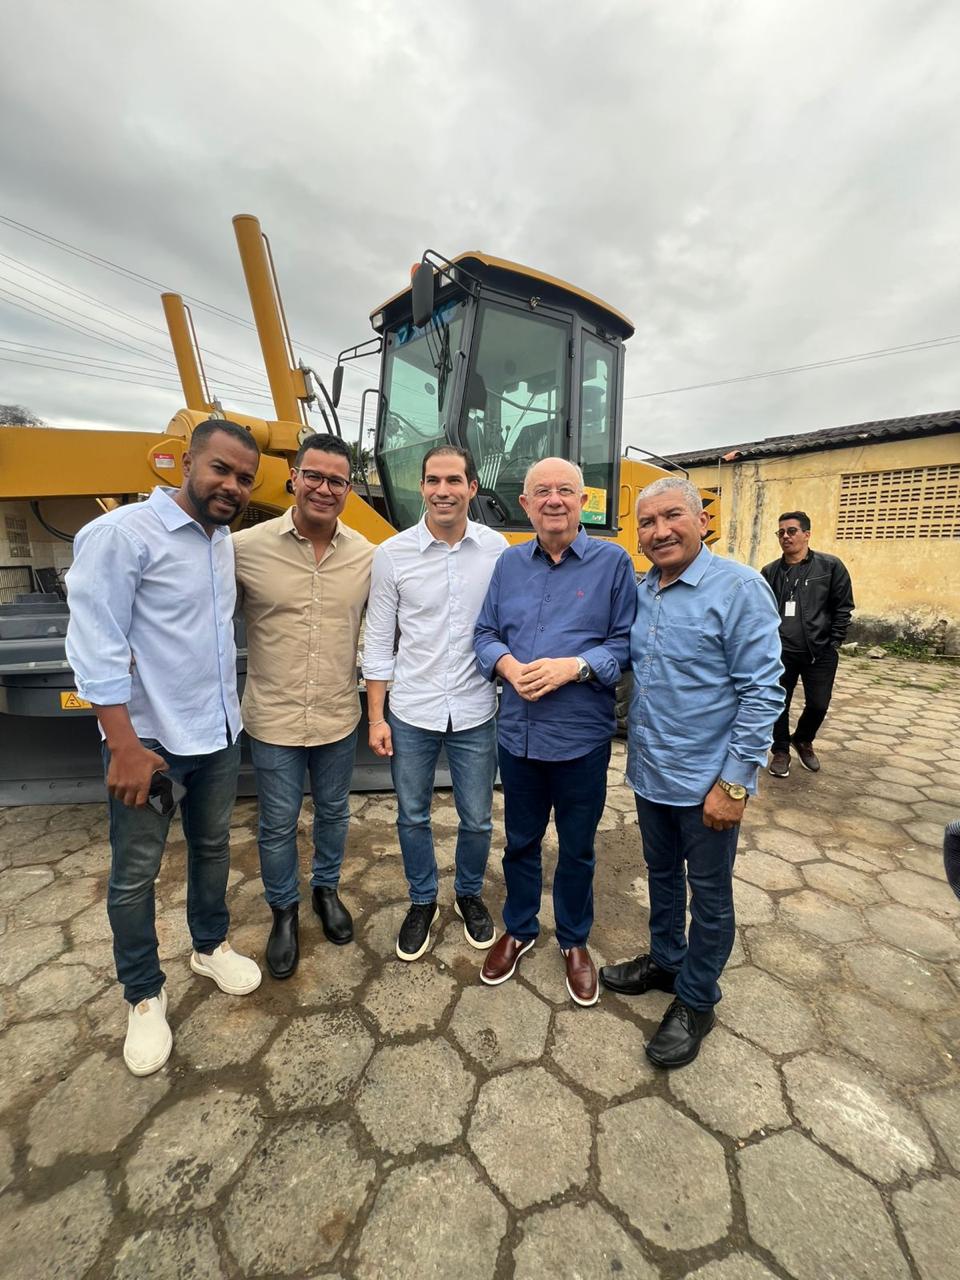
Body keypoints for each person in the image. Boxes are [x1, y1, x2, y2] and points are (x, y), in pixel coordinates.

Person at [64, 419, 263, 1077]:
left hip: (216, 731)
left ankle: (208, 946)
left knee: (212, 847)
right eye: (221, 469)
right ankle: (144, 993)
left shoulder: (221, 540)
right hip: (147, 741)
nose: (232, 486)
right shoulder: (123, 535)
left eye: (244, 478)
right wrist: (121, 745)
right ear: (185, 462)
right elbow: (94, 643)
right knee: (134, 873)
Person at [600, 477, 784, 1067]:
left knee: (710, 895)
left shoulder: (739, 588)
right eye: (646, 523)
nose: (659, 532)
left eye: (672, 517)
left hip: (709, 783)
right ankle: (666, 960)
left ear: (702, 520)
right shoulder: (643, 591)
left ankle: (698, 998)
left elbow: (762, 692)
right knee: (660, 874)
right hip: (652, 773)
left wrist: (734, 783)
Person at [474, 457, 636, 1006]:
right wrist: (506, 665)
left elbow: (625, 643)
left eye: (565, 490)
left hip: (580, 738)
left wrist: (576, 666)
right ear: (525, 504)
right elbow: (485, 633)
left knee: (577, 847)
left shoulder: (613, 563)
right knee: (520, 841)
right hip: (518, 736)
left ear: (583, 501)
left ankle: (573, 939)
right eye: (541, 491)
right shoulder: (509, 564)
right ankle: (520, 928)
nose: (553, 500)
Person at [233, 433, 373, 979]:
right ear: (293, 478)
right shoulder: (244, 549)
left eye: (336, 480)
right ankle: (284, 911)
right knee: (277, 823)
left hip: (337, 714)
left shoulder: (366, 556)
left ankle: (326, 890)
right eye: (313, 476)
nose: (323, 488)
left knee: (334, 812)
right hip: (274, 717)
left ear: (348, 489)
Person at [364, 446, 507, 960]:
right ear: (421, 487)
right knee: (411, 815)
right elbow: (378, 640)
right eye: (432, 480)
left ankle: (468, 894)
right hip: (412, 709)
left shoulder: (497, 551)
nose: (442, 490)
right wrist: (376, 717)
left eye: (453, 480)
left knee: (478, 819)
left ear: (472, 487)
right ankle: (422, 899)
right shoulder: (392, 554)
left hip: (475, 708)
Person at [760, 511, 854, 777]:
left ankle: (802, 739)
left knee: (818, 704)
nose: (785, 536)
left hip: (819, 651)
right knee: (778, 703)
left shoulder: (830, 567)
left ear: (807, 534)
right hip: (780, 652)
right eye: (781, 532)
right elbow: (760, 611)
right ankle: (780, 750)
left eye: (791, 531)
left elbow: (843, 606)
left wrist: (833, 641)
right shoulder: (770, 572)